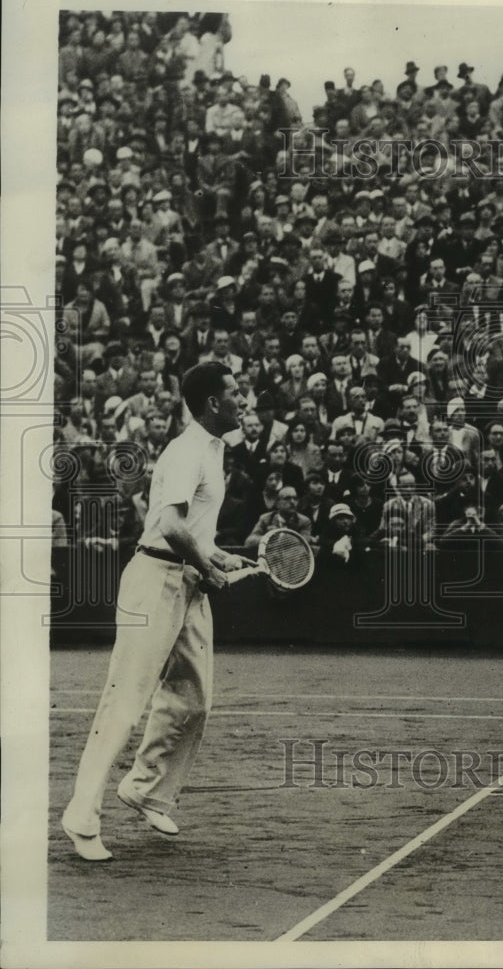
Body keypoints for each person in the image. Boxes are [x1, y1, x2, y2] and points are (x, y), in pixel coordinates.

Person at [61, 362, 255, 861]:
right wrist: (207, 568)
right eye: (236, 392)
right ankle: (81, 818)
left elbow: (190, 529)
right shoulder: (188, 451)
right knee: (125, 704)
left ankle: (145, 788)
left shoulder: (212, 450)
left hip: (187, 580)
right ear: (214, 404)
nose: (244, 399)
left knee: (193, 699)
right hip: (154, 583)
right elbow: (168, 526)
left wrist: (216, 556)